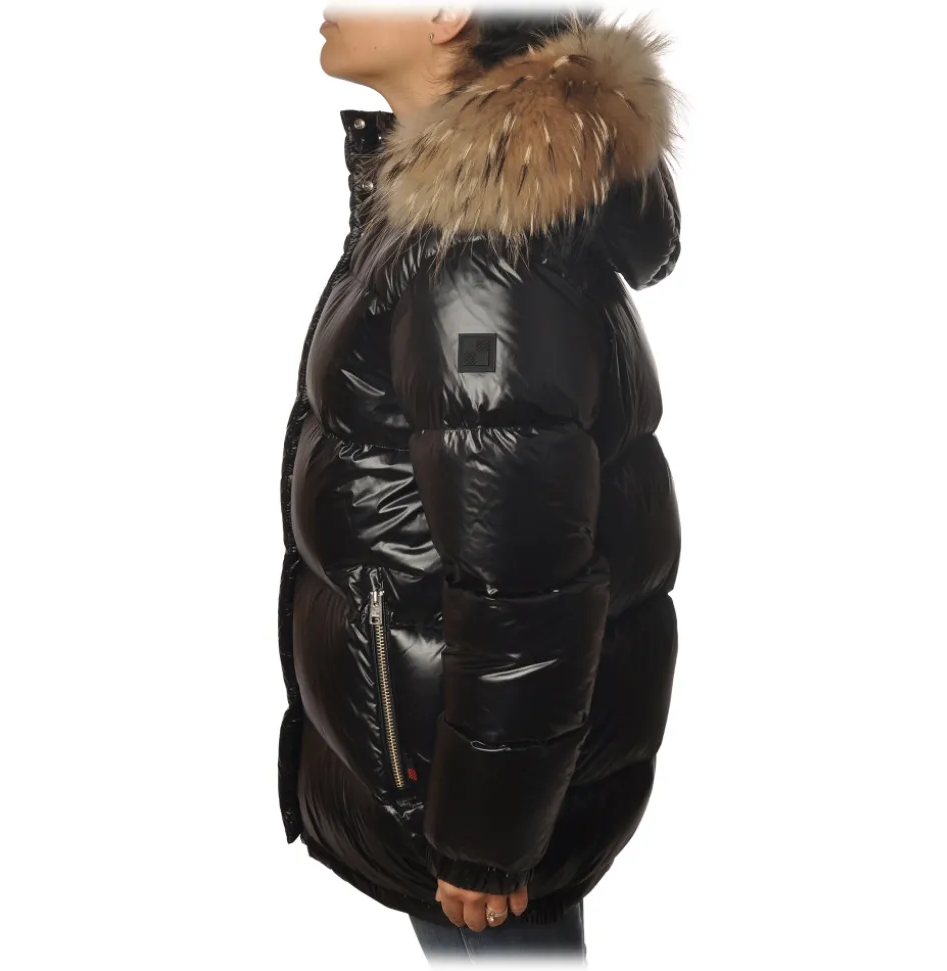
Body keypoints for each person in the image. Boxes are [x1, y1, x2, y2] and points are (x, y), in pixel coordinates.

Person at [275, 5, 683, 962]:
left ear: (449, 14)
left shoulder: (481, 254)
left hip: (467, 798)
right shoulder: (458, 218)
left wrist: (487, 840)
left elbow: (526, 585)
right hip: (453, 761)